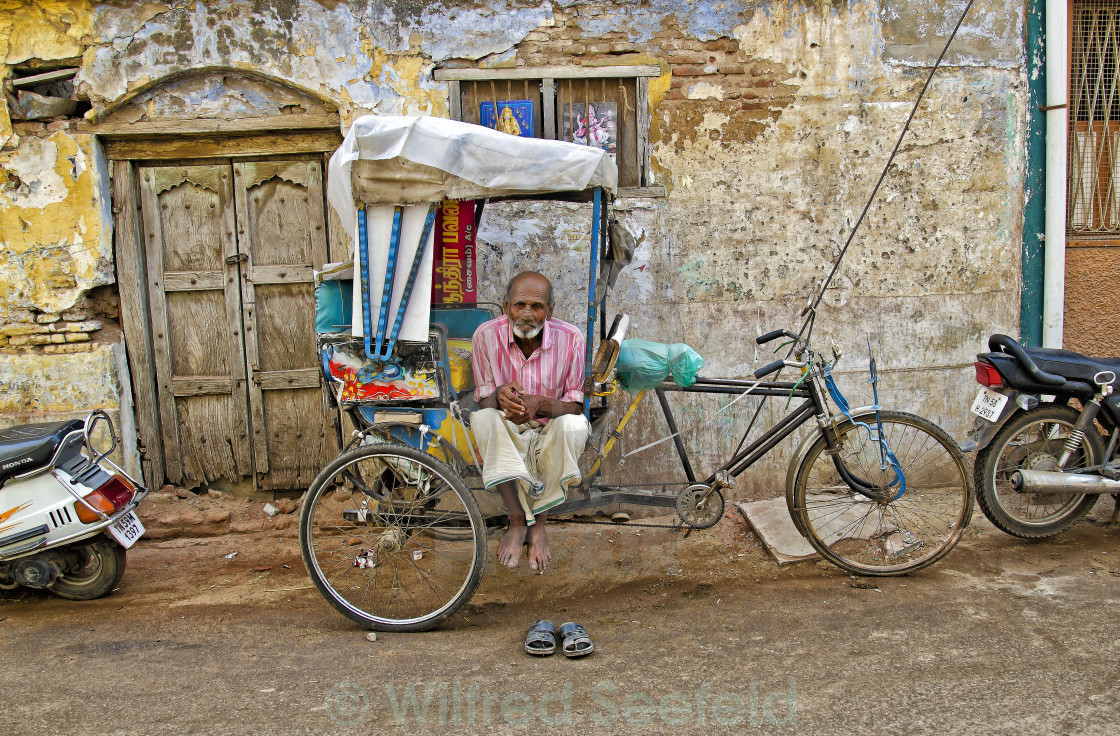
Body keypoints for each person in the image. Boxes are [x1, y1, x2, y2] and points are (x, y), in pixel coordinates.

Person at [471, 271, 590, 571]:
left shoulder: (571, 338)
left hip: (549, 426)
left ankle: (538, 525)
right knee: (484, 418)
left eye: (536, 307)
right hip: (506, 427)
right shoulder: (485, 336)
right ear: (506, 304)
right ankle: (516, 521)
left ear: (550, 310)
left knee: (573, 427)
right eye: (519, 304)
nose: (527, 314)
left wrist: (542, 405)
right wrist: (499, 395)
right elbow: (482, 400)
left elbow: (576, 407)